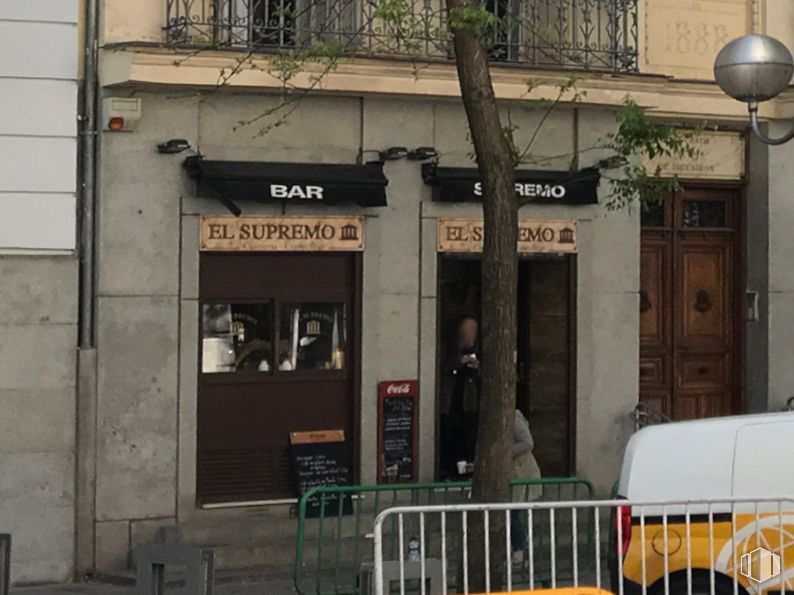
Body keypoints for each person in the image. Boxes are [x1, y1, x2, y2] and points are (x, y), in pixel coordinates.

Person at [440, 316, 480, 478]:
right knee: (449, 438)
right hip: (450, 403)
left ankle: (466, 473)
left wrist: (476, 368)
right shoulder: (448, 348)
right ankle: (448, 472)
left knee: (468, 438)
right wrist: (459, 362)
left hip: (469, 404)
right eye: (467, 333)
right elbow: (442, 368)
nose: (470, 337)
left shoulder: (478, 348)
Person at [511, 408, 541, 565]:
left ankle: (520, 552)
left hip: (522, 472)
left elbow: (528, 442)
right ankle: (519, 551)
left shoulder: (514, 419)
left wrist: (505, 452)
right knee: (511, 513)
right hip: (513, 472)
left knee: (512, 512)